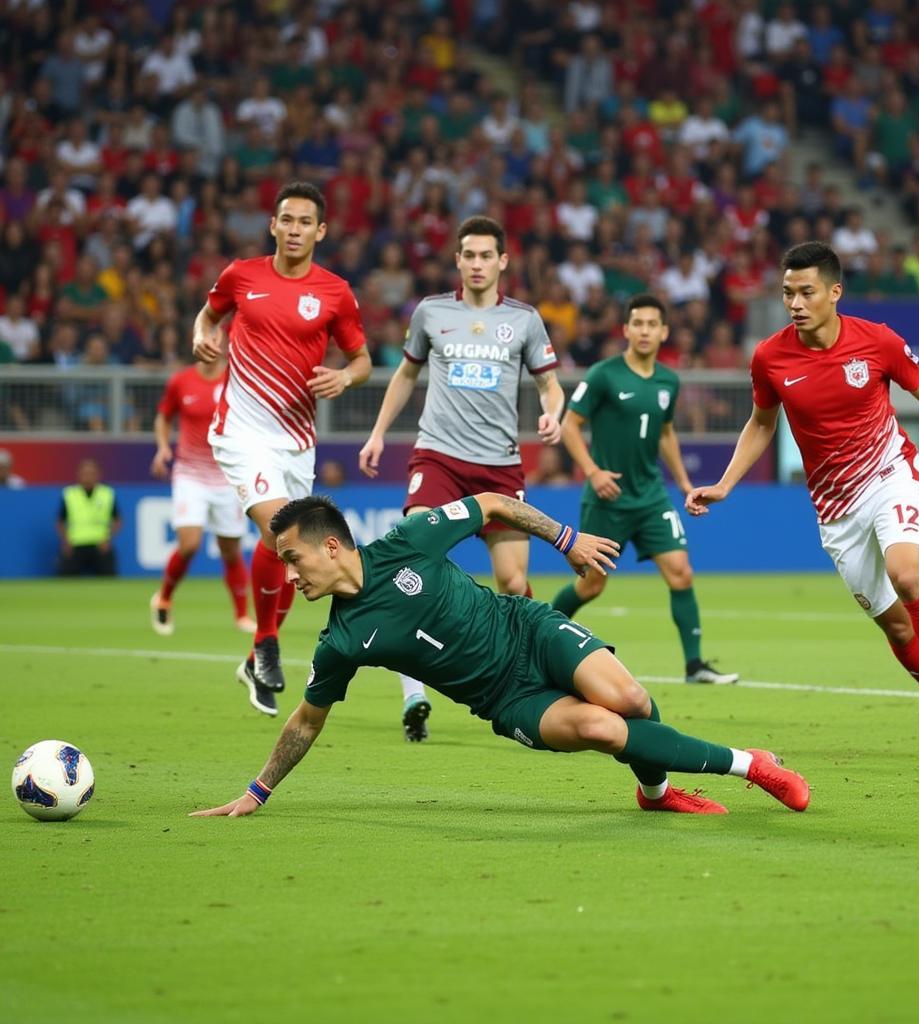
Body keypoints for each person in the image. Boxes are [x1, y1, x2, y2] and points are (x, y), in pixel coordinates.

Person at [190, 493, 810, 819]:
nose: (289, 575)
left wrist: (563, 537)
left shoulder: (408, 541)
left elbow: (489, 503)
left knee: (631, 700)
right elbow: (305, 721)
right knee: (603, 726)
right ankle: (751, 764)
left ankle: (656, 791)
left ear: (330, 547)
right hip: (506, 699)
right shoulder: (340, 643)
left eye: (292, 559)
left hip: (529, 629)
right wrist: (257, 790)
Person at [685, 241, 919, 763]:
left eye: (806, 292)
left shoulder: (877, 341)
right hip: (835, 511)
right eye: (787, 292)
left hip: (890, 473)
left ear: (834, 292)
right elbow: (761, 424)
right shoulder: (770, 356)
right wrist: (725, 483)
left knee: (907, 574)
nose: (795, 302)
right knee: (896, 624)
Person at [358, 216, 564, 742]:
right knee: (410, 564)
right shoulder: (431, 312)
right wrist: (379, 433)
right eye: (467, 255)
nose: (476, 264)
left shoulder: (524, 321)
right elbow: (406, 374)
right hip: (438, 460)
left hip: (498, 464)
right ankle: (413, 694)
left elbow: (550, 385)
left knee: (514, 584)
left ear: (502, 261)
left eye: (484, 256)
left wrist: (552, 413)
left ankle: (531, 676)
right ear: (457, 260)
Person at [192, 180, 372, 717]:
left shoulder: (335, 291)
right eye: (286, 220)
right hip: (241, 433)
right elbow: (209, 314)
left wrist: (345, 378)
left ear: (321, 230)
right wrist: (203, 334)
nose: (294, 230)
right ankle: (267, 641)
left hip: (296, 442)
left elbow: (360, 358)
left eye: (305, 222)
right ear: (273, 225)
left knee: (301, 549)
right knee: (280, 529)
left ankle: (256, 655)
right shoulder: (241, 275)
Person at [554, 294, 739, 685]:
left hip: (651, 495)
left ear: (664, 332)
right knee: (592, 585)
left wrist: (686, 484)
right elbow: (569, 425)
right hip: (608, 498)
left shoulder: (668, 381)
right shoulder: (604, 374)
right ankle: (541, 637)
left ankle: (694, 666)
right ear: (625, 329)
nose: (644, 331)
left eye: (652, 324)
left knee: (681, 573)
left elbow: (666, 434)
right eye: (637, 323)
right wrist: (592, 471)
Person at [149, 355, 256, 637]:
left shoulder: (238, 379)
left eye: (216, 338)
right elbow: (163, 416)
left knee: (231, 549)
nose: (211, 344)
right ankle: (164, 597)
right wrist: (162, 447)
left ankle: (242, 615)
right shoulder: (181, 381)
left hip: (228, 475)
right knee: (189, 544)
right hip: (190, 474)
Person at [57, 458, 121, 576]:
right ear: (79, 475)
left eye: (91, 473)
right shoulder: (70, 494)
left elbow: (118, 520)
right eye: (85, 473)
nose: (88, 477)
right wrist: (66, 541)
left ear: (98, 475)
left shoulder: (107, 493)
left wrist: (108, 539)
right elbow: (60, 521)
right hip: (76, 544)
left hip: (100, 544)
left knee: (109, 576)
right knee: (64, 576)